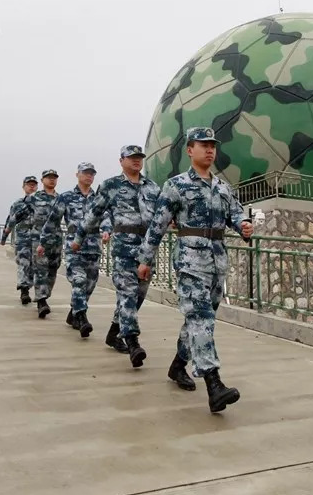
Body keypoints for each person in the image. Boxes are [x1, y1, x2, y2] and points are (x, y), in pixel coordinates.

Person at [137, 127, 253, 413]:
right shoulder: (176, 185)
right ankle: (214, 385)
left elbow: (236, 214)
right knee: (201, 319)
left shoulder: (223, 187)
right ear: (190, 150)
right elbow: (158, 225)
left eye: (212, 145)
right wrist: (145, 259)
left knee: (199, 321)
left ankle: (178, 365)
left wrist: (244, 226)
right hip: (190, 261)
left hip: (217, 263)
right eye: (203, 145)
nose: (210, 150)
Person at [73, 145, 160, 367]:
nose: (136, 161)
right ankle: (132, 342)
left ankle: (114, 332)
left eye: (139, 157)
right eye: (131, 157)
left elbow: (163, 214)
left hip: (147, 250)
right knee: (127, 293)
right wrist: (79, 237)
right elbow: (94, 214)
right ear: (121, 161)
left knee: (138, 295)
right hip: (123, 248)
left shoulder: (152, 187)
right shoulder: (111, 185)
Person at [38, 162, 112, 338]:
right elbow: (52, 221)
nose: (89, 176)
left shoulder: (99, 199)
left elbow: (106, 217)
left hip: (93, 248)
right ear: (77, 175)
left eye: (92, 173)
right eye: (85, 173)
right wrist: (43, 242)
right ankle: (82, 318)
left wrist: (107, 230)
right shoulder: (66, 197)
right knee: (79, 281)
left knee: (89, 285)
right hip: (74, 248)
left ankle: (73, 312)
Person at [6, 169, 61, 318]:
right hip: (33, 239)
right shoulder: (32, 199)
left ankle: (44, 294)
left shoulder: (61, 199)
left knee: (53, 268)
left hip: (55, 240)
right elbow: (15, 216)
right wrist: (7, 230)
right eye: (48, 177)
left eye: (54, 177)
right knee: (33, 266)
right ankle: (38, 299)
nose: (52, 180)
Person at [1, 175, 39, 305]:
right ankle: (24, 291)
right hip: (23, 238)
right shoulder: (18, 204)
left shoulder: (41, 203)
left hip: (37, 239)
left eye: (34, 184)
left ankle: (29, 286)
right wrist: (5, 235)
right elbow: (10, 219)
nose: (32, 186)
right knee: (23, 263)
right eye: (29, 184)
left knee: (34, 266)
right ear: (24, 187)